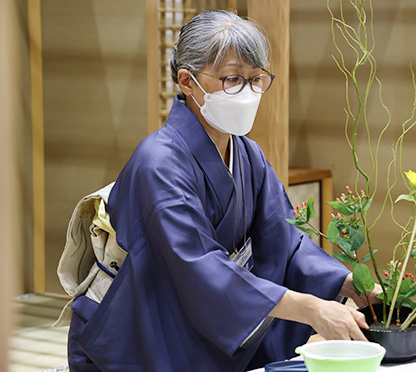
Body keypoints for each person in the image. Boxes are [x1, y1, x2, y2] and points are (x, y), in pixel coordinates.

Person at [66, 10, 380, 372]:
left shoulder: (248, 154)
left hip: (196, 327)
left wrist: (347, 281)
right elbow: (199, 266)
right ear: (187, 81)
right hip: (141, 333)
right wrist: (310, 307)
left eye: (256, 79)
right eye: (232, 79)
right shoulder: (158, 161)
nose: (247, 92)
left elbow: (283, 241)